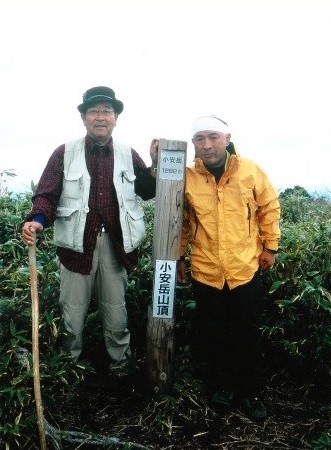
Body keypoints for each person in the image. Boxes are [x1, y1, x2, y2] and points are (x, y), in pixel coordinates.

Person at [22, 86, 158, 375]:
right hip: (76, 246)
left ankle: (121, 368)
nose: (100, 117)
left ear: (116, 118)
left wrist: (156, 165)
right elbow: (46, 194)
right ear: (83, 117)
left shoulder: (126, 153)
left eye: (106, 111)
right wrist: (37, 220)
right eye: (94, 111)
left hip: (115, 244)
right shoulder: (64, 153)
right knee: (71, 312)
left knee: (116, 310)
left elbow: (147, 190)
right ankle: (69, 370)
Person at [177, 115, 280, 420]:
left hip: (243, 267)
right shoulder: (188, 177)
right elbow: (182, 222)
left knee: (247, 333)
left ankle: (250, 392)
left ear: (226, 138)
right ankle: (221, 388)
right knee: (213, 333)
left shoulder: (250, 170)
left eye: (212, 137)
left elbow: (269, 207)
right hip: (206, 269)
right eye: (199, 139)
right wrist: (179, 257)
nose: (206, 145)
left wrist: (270, 246)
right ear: (193, 143)